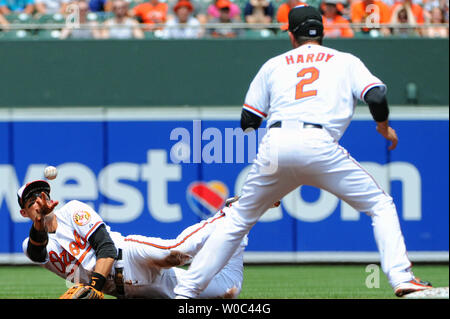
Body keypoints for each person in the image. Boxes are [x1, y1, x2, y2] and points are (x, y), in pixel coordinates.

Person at [173, 5, 433, 299]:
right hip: (319, 142)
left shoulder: (274, 64)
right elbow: (377, 95)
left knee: (237, 221)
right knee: (380, 205)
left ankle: (186, 291)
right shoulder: (345, 61)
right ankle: (402, 279)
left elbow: (248, 122)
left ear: (291, 35)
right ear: (322, 32)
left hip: (277, 142)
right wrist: (383, 127)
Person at [19, 179, 246, 299]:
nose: (38, 202)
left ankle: (230, 212)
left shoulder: (73, 210)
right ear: (23, 213)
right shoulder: (30, 245)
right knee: (227, 292)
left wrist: (95, 287)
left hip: (129, 257)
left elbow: (105, 247)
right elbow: (38, 251)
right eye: (31, 202)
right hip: (128, 291)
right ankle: (238, 236)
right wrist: (39, 224)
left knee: (175, 251)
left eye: (42, 196)